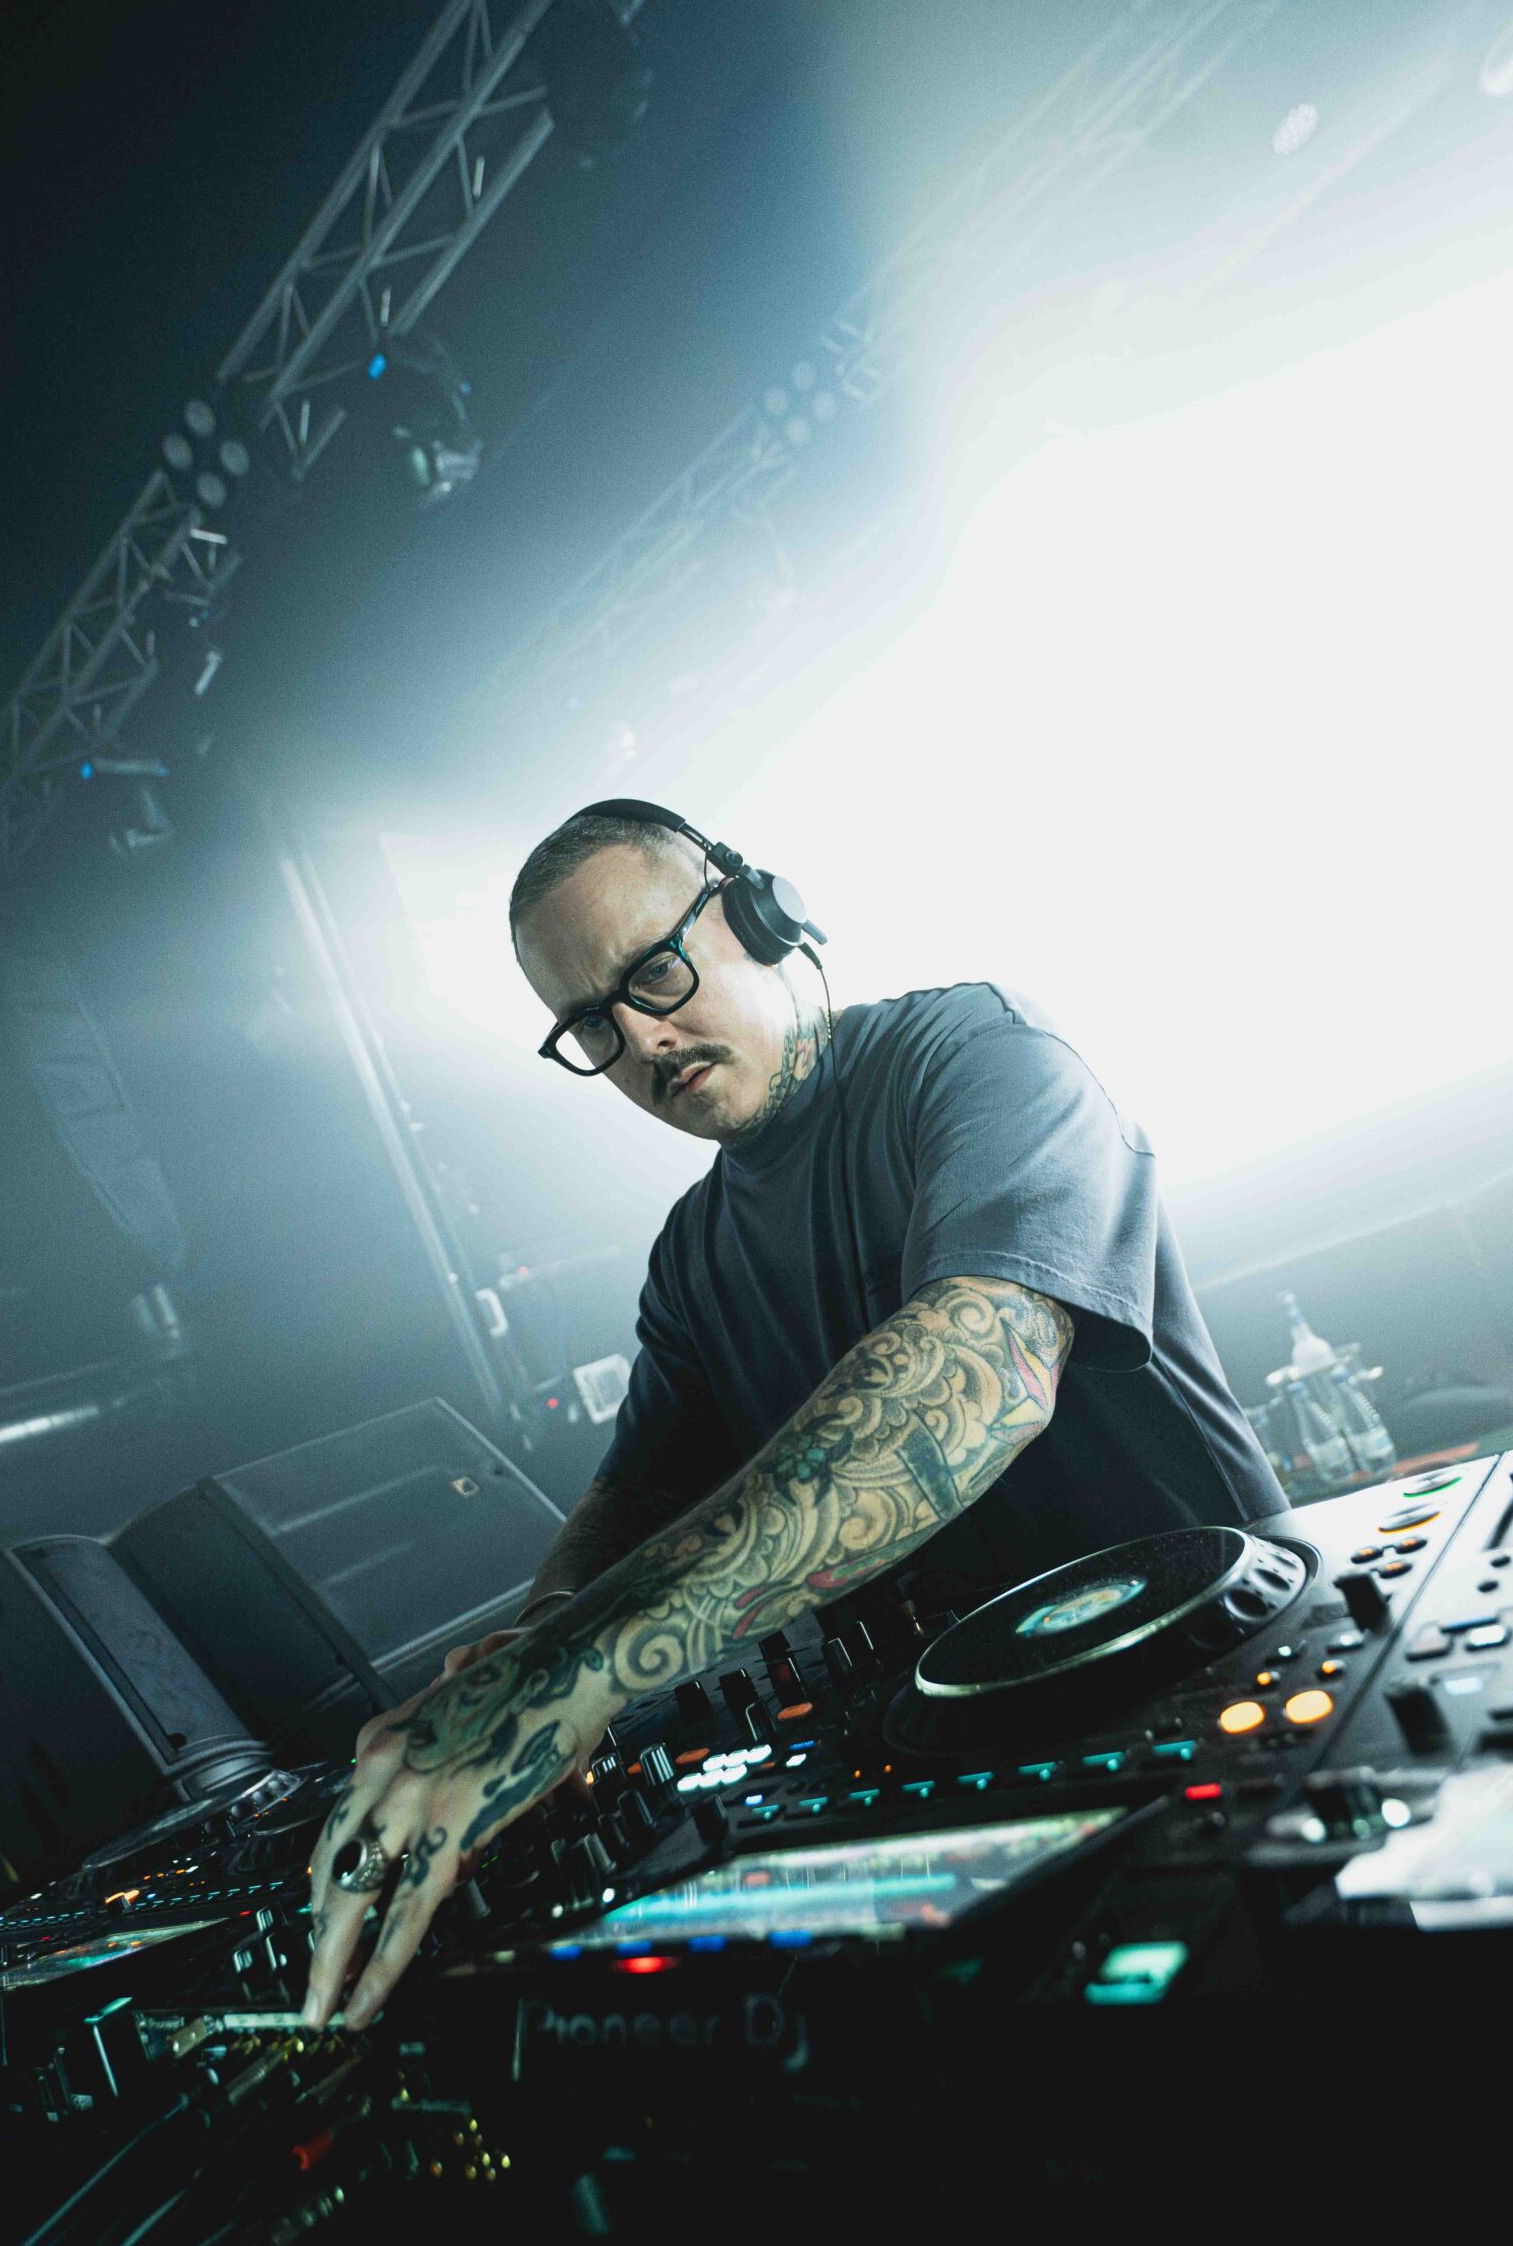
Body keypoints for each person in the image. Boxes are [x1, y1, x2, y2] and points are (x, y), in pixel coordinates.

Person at [301, 801, 1290, 2031]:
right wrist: (536, 1635)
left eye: (653, 972)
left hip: (1212, 1690)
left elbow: (977, 1373)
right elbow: (636, 1491)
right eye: (593, 1023)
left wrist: (573, 1668)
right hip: (941, 1774)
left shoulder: (981, 1053)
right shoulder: (691, 1256)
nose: (642, 1036)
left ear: (762, 914)